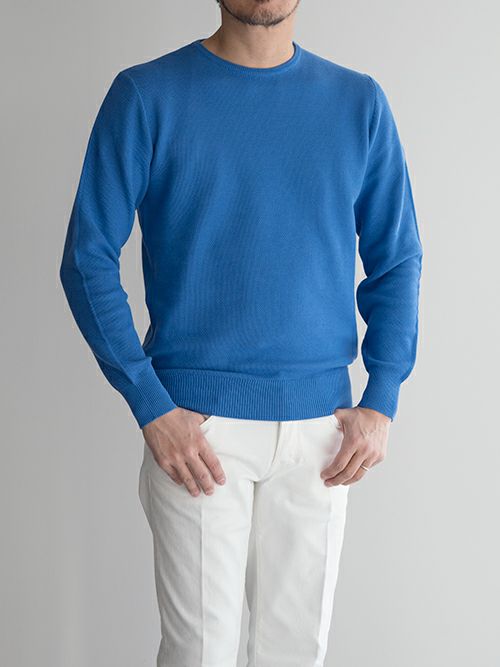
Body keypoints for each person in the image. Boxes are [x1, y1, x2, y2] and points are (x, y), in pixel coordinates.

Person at [59, 1, 423, 664]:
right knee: (200, 654)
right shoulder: (146, 95)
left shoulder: (359, 103)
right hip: (196, 431)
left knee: (295, 653)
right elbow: (87, 259)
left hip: (323, 434)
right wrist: (151, 405)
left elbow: (396, 259)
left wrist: (383, 398)